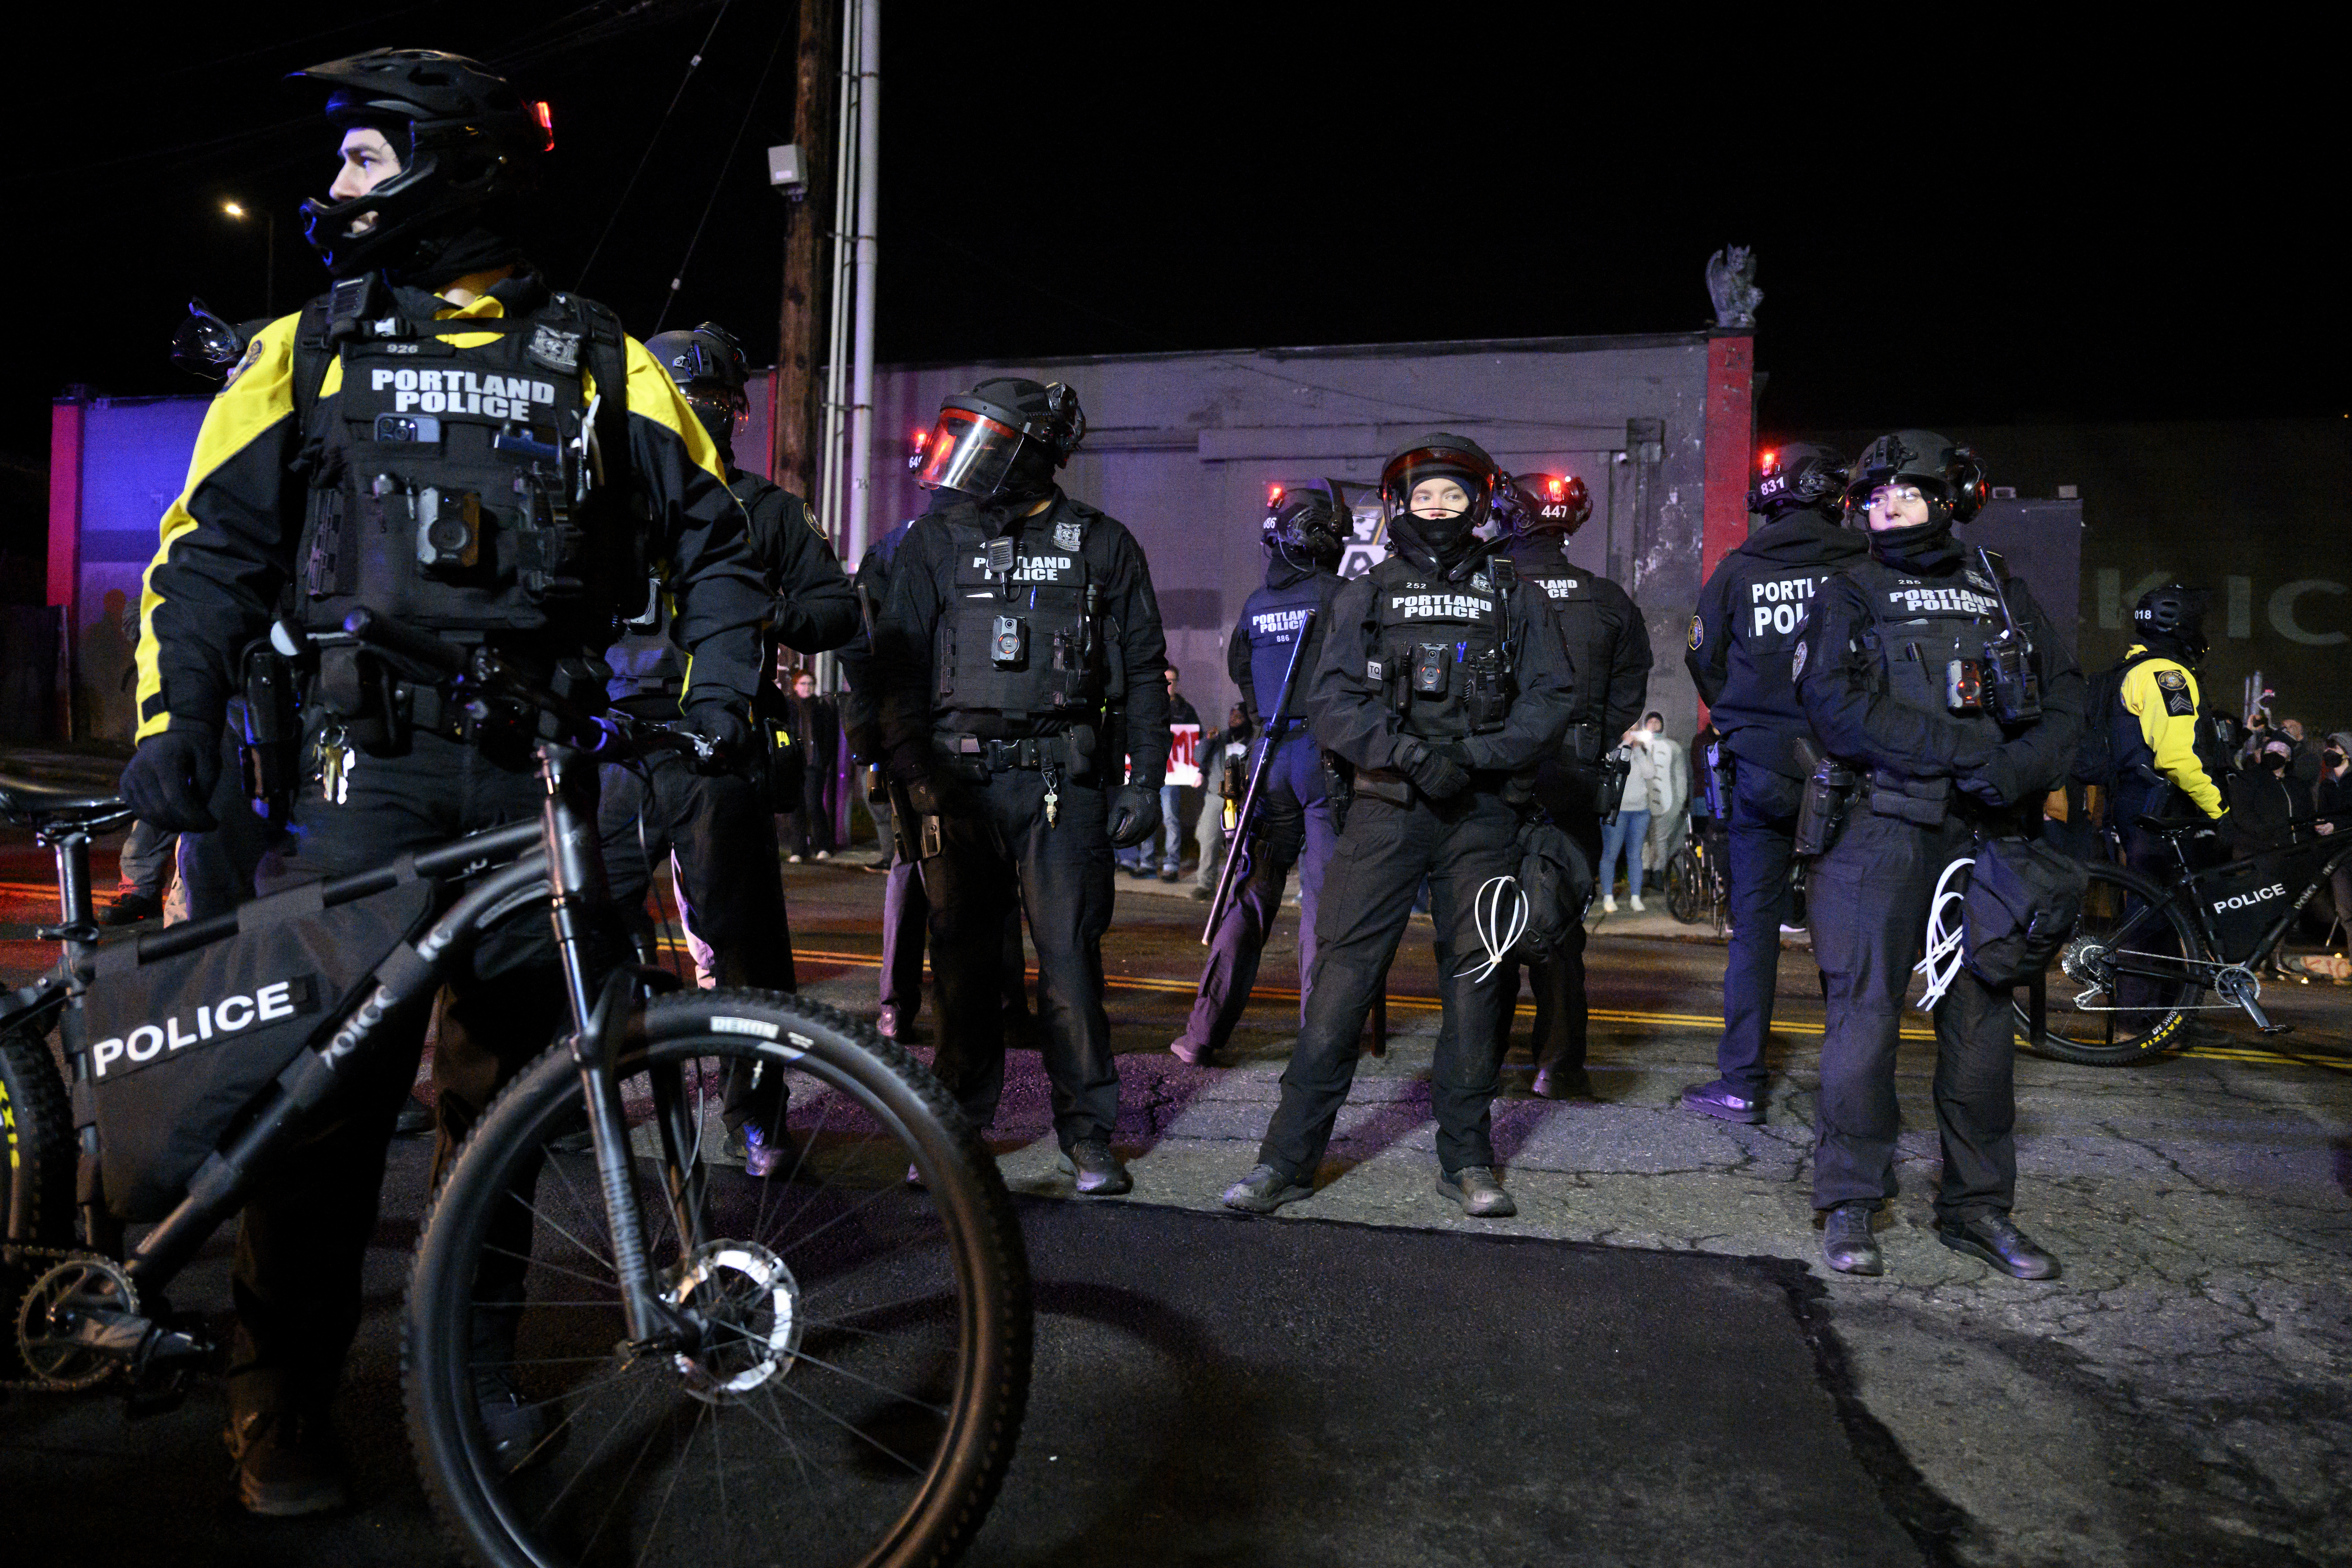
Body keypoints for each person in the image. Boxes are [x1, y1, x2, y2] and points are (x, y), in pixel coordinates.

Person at [116, 50, 774, 1514]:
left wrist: (708, 712)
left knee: (515, 1117)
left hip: (540, 783)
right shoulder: (312, 343)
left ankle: (465, 1377)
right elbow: (206, 554)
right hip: (367, 779)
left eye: (364, 155)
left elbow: (719, 548)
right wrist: (176, 727)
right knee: (325, 1110)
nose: (338, 184)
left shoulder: (606, 357)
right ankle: (276, 1402)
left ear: (456, 162)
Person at [1221, 434, 1572, 1219]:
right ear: (1399, 506)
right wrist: (1413, 755)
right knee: (1340, 984)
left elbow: (1552, 699)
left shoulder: (1514, 592)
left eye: (1454, 494)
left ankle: (1469, 1157)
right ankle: (1286, 1159)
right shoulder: (1366, 592)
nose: (1439, 507)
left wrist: (1477, 756)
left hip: (1481, 815)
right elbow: (1334, 705)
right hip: (1386, 808)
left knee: (1478, 986)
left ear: (1478, 504)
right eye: (1425, 496)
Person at [1794, 430, 2084, 1281]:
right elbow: (1836, 708)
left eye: (1906, 495)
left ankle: (1977, 1207)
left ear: (1949, 500)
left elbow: (2067, 697)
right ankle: (1850, 1199)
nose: (1887, 508)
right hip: (1882, 826)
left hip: (1990, 830)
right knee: (1864, 1018)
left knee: (1984, 1022)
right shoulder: (1850, 589)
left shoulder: (1998, 585)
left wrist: (2020, 768)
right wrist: (1965, 755)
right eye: (1876, 497)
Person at [871, 377, 1170, 1195]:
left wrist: (1142, 777)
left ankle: (1088, 1134)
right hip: (957, 785)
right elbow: (894, 669)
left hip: (1059, 785)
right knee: (962, 967)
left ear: (1037, 452)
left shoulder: (1102, 543)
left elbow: (1144, 672)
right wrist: (908, 773)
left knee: (1069, 965)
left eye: (992, 444)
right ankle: (958, 1127)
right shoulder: (933, 541)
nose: (973, 463)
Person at [598, 320, 856, 1175]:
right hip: (615, 747)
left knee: (743, 948)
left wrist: (761, 610)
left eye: (718, 408)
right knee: (594, 938)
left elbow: (836, 608)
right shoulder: (604, 497)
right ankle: (586, 1106)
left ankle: (757, 1114)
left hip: (719, 750)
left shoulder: (769, 510)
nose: (703, 422)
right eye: (688, 404)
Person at [1431, 470, 1650, 1100]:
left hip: (1492, 776)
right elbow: (1629, 684)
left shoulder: (1481, 584)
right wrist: (1592, 737)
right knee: (1560, 925)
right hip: (1574, 775)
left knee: (1484, 914)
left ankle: (1479, 1060)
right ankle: (1558, 1065)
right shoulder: (1606, 599)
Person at [1680, 442, 1867, 1123]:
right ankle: (1848, 1094)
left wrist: (1741, 717)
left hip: (1759, 771)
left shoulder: (1739, 570)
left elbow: (1701, 654)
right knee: (1845, 937)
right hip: (1845, 772)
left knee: (1754, 932)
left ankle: (1741, 1083)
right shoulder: (1860, 565)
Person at [1171, 483, 1349, 1063]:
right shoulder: (1341, 596)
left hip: (1269, 757)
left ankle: (1202, 1033)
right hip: (1324, 762)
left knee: (1248, 895)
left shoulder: (1254, 605)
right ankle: (1318, 1042)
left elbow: (1243, 677)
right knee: (1322, 905)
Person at [839, 517, 1033, 1044]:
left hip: (927, 730)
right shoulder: (955, 540)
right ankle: (987, 1007)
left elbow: (859, 649)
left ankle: (903, 1008)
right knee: (950, 874)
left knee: (930, 875)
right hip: (930, 731)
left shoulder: (898, 546)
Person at [2086, 583, 2231, 881]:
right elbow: (2177, 758)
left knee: (2154, 906)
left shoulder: (2131, 668)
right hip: (2160, 809)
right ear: (2182, 625)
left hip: (2133, 803)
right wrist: (2221, 811)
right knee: (2160, 917)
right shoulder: (2167, 674)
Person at [1122, 666, 1199, 880]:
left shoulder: (1185, 710)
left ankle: (1171, 865)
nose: (1169, 685)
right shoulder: (1147, 706)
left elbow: (1194, 741)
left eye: (1173, 680)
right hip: (1149, 772)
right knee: (1147, 816)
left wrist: (1194, 770)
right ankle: (1147, 862)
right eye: (1166, 681)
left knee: (1171, 818)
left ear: (1177, 682)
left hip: (1171, 775)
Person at [783, 667, 842, 861]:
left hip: (813, 763)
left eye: (810, 684)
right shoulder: (789, 706)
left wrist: (824, 760)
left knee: (814, 804)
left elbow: (829, 737)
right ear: (795, 686)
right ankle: (798, 850)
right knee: (796, 807)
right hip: (794, 764)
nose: (807, 687)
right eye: (803, 684)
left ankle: (823, 846)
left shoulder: (820, 706)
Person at [1597, 723, 1657, 911]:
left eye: (1636, 729)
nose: (1633, 733)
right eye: (1629, 729)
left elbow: (1650, 773)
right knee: (1611, 853)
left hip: (1641, 811)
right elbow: (1613, 770)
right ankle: (1608, 896)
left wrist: (1638, 750)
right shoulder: (1613, 749)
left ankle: (1636, 897)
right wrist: (1626, 745)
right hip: (1617, 811)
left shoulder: (1641, 752)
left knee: (1636, 855)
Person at [1640, 711, 1687, 881]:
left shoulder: (1674, 747)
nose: (1653, 724)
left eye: (1656, 721)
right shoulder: (1639, 746)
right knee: (1643, 837)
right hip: (1641, 801)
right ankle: (1645, 870)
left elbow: (1680, 776)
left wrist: (1681, 800)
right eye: (1650, 722)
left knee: (1661, 839)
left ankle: (1659, 871)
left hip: (1665, 801)